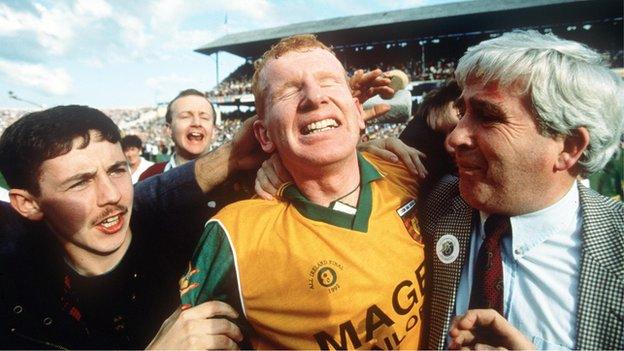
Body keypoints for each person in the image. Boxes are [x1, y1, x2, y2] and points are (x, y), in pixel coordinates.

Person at [180, 34, 426, 349]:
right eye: (290, 89)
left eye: (328, 82)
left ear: (356, 111)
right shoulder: (233, 235)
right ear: (264, 135)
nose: (314, 96)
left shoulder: (407, 171)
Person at [420, 30, 624, 350]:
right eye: (463, 113)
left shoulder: (618, 248)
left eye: (487, 117)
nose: (455, 138)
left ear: (568, 147)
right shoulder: (428, 203)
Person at [0, 105, 264, 349]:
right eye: (80, 182)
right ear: (28, 204)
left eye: (116, 170)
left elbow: (150, 196)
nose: (111, 195)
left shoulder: (196, 243)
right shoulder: (16, 295)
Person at [140, 89, 216, 181]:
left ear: (213, 130)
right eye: (185, 116)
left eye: (204, 117)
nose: (196, 123)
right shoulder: (149, 177)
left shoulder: (234, 177)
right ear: (169, 129)